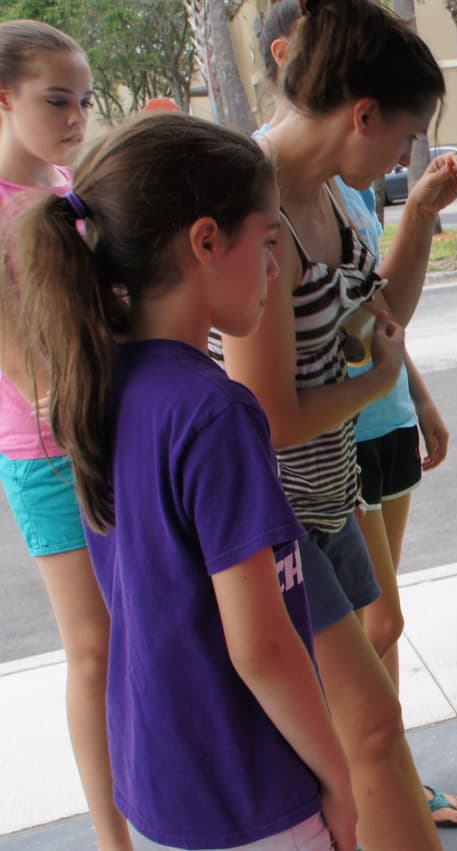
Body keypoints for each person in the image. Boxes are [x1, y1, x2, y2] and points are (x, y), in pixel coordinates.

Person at [12, 112, 356, 851]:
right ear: (205, 241)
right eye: (266, 243)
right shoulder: (215, 410)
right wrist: (339, 775)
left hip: (162, 786)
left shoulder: (96, 381)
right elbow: (259, 646)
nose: (274, 269)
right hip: (251, 794)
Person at [213, 1, 457, 847]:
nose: (404, 157)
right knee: (366, 738)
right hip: (273, 519)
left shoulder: (323, 193)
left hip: (327, 500)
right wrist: (384, 382)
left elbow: (380, 310)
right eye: (404, 139)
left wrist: (421, 217)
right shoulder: (260, 209)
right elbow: (270, 419)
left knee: (367, 735)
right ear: (362, 115)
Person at [0, 21, 130, 850]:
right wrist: (58, 397)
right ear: (3, 98)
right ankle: (111, 836)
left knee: (135, 634)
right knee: (93, 649)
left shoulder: (62, 181)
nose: (78, 115)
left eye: (84, 99)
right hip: (47, 455)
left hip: (106, 431)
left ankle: (153, 798)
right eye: (58, 100)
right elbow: (20, 357)